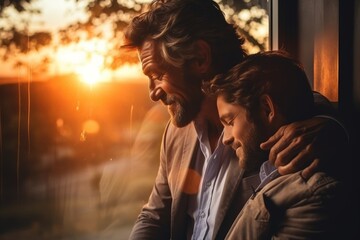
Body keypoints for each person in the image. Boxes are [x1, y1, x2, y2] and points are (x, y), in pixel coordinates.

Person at [122, 0, 348, 239]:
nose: (152, 92)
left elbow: (305, 102)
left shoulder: (279, 124)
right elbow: (155, 216)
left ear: (200, 58)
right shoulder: (175, 133)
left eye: (157, 75)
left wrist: (334, 127)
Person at [207, 50, 347, 239]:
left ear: (267, 109)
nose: (226, 139)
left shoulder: (314, 196)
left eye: (230, 122)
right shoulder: (268, 174)